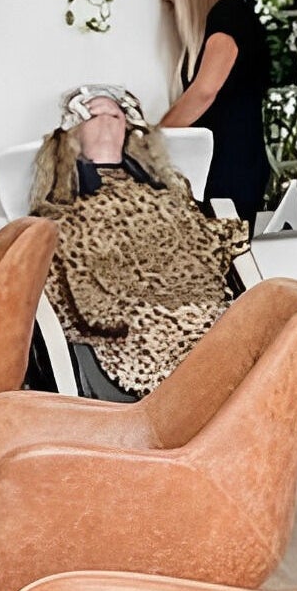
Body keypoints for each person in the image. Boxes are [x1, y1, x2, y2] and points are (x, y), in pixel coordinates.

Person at [29, 86, 249, 396]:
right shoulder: (60, 211)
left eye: (115, 114)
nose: (105, 120)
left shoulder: (167, 197)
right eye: (93, 114)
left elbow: (200, 253)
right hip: (124, 318)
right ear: (72, 135)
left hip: (191, 303)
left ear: (128, 129)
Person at [156, 0, 272, 215]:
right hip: (223, 170)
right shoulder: (215, 24)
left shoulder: (230, 16)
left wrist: (154, 139)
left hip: (232, 173)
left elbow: (205, 91)